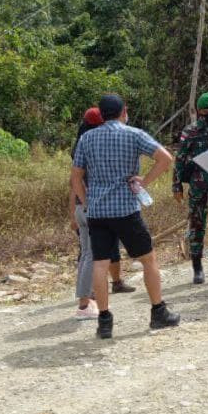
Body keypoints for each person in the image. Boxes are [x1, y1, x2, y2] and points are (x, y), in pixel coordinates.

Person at [71, 94, 181, 338]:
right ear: (124, 112)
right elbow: (165, 158)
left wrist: (88, 202)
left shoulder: (87, 138)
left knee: (100, 263)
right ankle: (158, 312)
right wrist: (144, 182)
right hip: (126, 210)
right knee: (148, 259)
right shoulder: (134, 134)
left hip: (98, 212)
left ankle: (105, 320)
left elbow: (76, 177)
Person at [70, 108, 135, 320]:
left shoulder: (81, 146)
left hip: (82, 208)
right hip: (93, 209)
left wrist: (74, 212)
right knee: (91, 257)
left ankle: (91, 299)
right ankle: (84, 304)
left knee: (88, 255)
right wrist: (89, 206)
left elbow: (73, 182)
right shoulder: (97, 149)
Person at [173, 92, 208, 284]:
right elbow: (180, 159)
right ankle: (197, 267)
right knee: (197, 227)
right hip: (199, 185)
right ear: (199, 111)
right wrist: (177, 185)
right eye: (207, 110)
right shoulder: (190, 131)